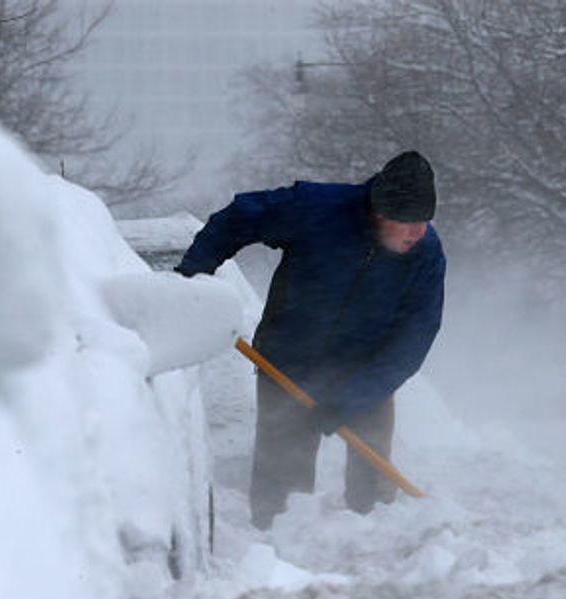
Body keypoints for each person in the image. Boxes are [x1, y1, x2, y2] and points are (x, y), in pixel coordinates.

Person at [174, 151, 445, 529]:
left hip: (366, 371)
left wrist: (352, 398)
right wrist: (195, 270)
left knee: (374, 469)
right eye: (408, 222)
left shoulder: (425, 255)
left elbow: (414, 338)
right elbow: (240, 216)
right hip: (287, 363)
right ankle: (274, 543)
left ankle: (377, 534)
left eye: (424, 221)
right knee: (283, 472)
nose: (418, 232)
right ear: (381, 212)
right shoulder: (317, 209)